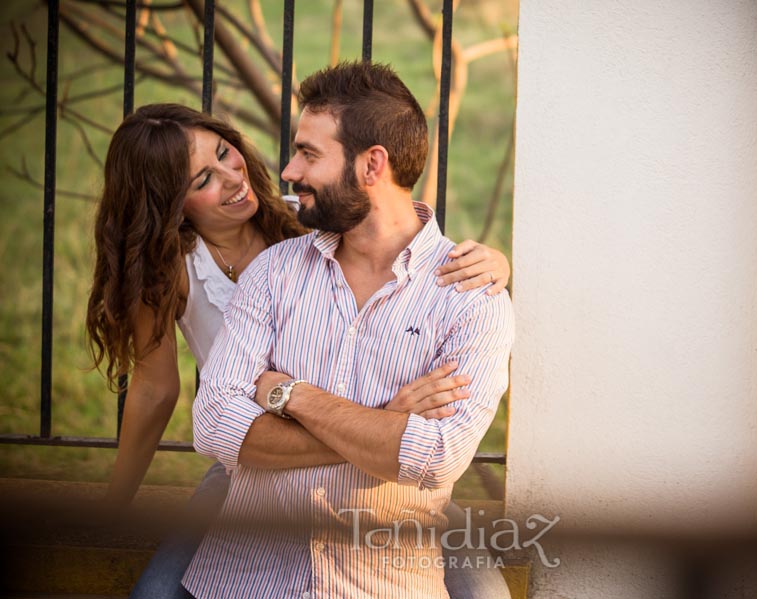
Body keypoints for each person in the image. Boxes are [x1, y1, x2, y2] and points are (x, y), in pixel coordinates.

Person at [85, 103, 511, 598]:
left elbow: (399, 252)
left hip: (384, 482)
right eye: (202, 179)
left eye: (226, 153)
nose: (231, 177)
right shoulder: (171, 271)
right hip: (258, 461)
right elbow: (156, 390)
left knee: (485, 594)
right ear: (167, 202)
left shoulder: (307, 222)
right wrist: (113, 505)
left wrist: (497, 264)